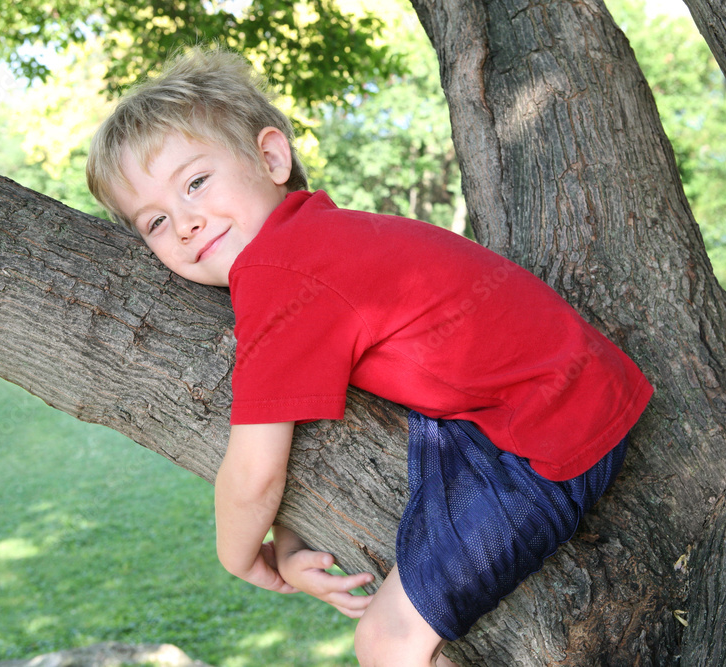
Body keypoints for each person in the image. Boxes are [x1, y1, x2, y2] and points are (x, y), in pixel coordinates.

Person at [86, 47, 653, 667]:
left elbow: (255, 471)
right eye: (156, 221)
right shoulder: (316, 241)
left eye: (196, 182)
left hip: (555, 432)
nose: (187, 222)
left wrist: (243, 559)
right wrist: (290, 536)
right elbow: (306, 435)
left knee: (387, 644)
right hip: (520, 402)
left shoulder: (280, 277)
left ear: (271, 157)